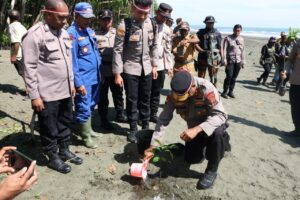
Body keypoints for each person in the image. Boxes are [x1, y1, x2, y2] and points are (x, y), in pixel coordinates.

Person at [23, 0, 83, 174]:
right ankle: (52, 155)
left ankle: (64, 150)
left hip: (65, 90)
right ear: (47, 14)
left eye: (66, 17)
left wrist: (71, 84)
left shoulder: (64, 33)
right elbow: (29, 67)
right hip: (47, 93)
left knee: (65, 121)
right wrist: (34, 96)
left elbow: (68, 61)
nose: (64, 21)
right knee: (49, 125)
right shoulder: (35, 35)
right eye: (60, 17)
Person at [144, 70, 229, 189]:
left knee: (218, 133)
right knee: (191, 159)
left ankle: (212, 170)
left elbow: (221, 116)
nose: (182, 100)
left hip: (212, 125)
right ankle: (210, 143)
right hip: (193, 129)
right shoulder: (174, 94)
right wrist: (153, 145)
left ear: (193, 86)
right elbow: (163, 119)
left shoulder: (207, 89)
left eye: (184, 96)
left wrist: (198, 129)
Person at [113, 0, 158, 143]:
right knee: (132, 100)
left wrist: (155, 65)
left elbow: (154, 46)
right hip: (130, 68)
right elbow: (118, 50)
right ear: (133, 8)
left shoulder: (152, 24)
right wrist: (117, 73)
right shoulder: (124, 25)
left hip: (147, 68)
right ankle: (133, 128)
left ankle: (145, 125)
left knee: (146, 98)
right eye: (140, 13)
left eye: (146, 13)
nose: (143, 16)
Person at [68, 2, 102, 148]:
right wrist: (78, 82)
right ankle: (85, 136)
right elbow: (72, 61)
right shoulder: (72, 33)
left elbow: (95, 53)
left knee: (92, 103)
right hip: (83, 78)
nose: (88, 20)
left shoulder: (89, 31)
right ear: (76, 15)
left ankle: (89, 129)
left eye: (90, 17)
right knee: (83, 106)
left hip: (95, 76)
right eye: (85, 17)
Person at [96, 9, 127, 131]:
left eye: (108, 19)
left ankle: (120, 114)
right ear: (99, 20)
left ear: (112, 20)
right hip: (102, 69)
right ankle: (103, 119)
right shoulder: (94, 34)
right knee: (102, 97)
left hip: (116, 69)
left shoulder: (118, 33)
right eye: (104, 19)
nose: (106, 21)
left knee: (118, 94)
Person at [150, 3, 173, 123]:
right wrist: (152, 65)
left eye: (166, 17)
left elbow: (167, 49)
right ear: (157, 12)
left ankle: (153, 113)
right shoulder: (148, 24)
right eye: (162, 15)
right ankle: (143, 113)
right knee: (145, 91)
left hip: (160, 65)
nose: (164, 18)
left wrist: (169, 66)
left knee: (157, 91)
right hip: (146, 64)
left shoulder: (167, 29)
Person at [196, 16, 223, 87]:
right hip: (202, 56)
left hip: (214, 57)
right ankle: (200, 92)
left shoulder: (217, 33)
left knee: (214, 75)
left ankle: (214, 90)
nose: (210, 24)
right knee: (201, 76)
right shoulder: (200, 32)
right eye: (208, 23)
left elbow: (220, 47)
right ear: (205, 23)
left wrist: (222, 58)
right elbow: (196, 44)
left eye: (212, 23)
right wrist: (201, 50)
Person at [221, 24, 245, 99]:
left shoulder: (242, 39)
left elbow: (243, 51)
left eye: (239, 30)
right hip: (230, 60)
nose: (237, 32)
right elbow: (224, 49)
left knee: (234, 77)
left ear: (241, 31)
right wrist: (224, 59)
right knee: (229, 76)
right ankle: (224, 92)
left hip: (238, 61)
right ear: (233, 30)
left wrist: (243, 61)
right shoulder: (228, 38)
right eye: (236, 30)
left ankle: (230, 91)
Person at [8, 10, 27, 89]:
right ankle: (28, 90)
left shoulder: (12, 26)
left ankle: (30, 91)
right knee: (25, 72)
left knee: (23, 73)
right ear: (19, 18)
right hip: (26, 51)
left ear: (9, 18)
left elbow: (16, 43)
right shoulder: (21, 26)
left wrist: (13, 56)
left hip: (19, 53)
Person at [286, 38, 300, 136]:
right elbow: (290, 59)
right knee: (294, 106)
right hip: (295, 80)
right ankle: (297, 130)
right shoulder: (298, 42)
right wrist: (286, 71)